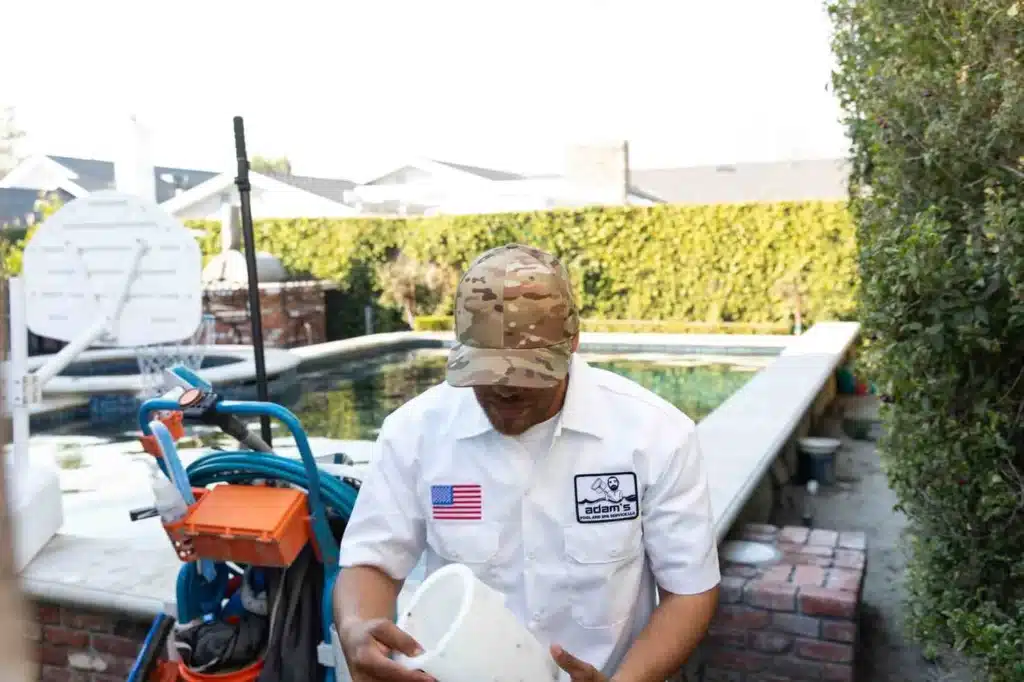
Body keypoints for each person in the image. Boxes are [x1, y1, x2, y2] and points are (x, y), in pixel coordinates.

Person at [334, 244, 720, 682]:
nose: (503, 391)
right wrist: (354, 628)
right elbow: (372, 561)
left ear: (573, 343)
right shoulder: (415, 433)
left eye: (525, 373)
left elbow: (688, 591)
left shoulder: (655, 436)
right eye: (486, 371)